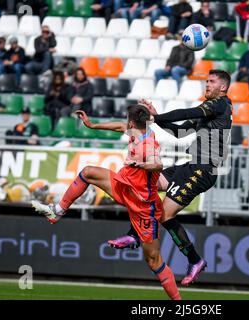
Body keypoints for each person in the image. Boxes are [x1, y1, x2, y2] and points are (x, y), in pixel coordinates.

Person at [32, 105, 182, 300]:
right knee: (88, 172)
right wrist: (92, 125)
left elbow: (158, 163)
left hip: (143, 206)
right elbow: (119, 126)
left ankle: (179, 303)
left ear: (131, 122)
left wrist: (143, 165)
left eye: (126, 120)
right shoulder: (136, 130)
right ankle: (58, 211)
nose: (124, 124)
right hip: (123, 187)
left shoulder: (148, 145)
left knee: (154, 261)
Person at [109, 70, 233, 286]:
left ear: (223, 87)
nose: (207, 85)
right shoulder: (211, 114)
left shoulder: (220, 105)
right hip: (191, 165)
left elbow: (187, 112)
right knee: (147, 184)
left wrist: (154, 118)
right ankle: (135, 235)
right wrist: (157, 119)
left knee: (164, 215)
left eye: (212, 82)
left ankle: (193, 259)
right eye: (206, 81)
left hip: (203, 170)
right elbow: (180, 132)